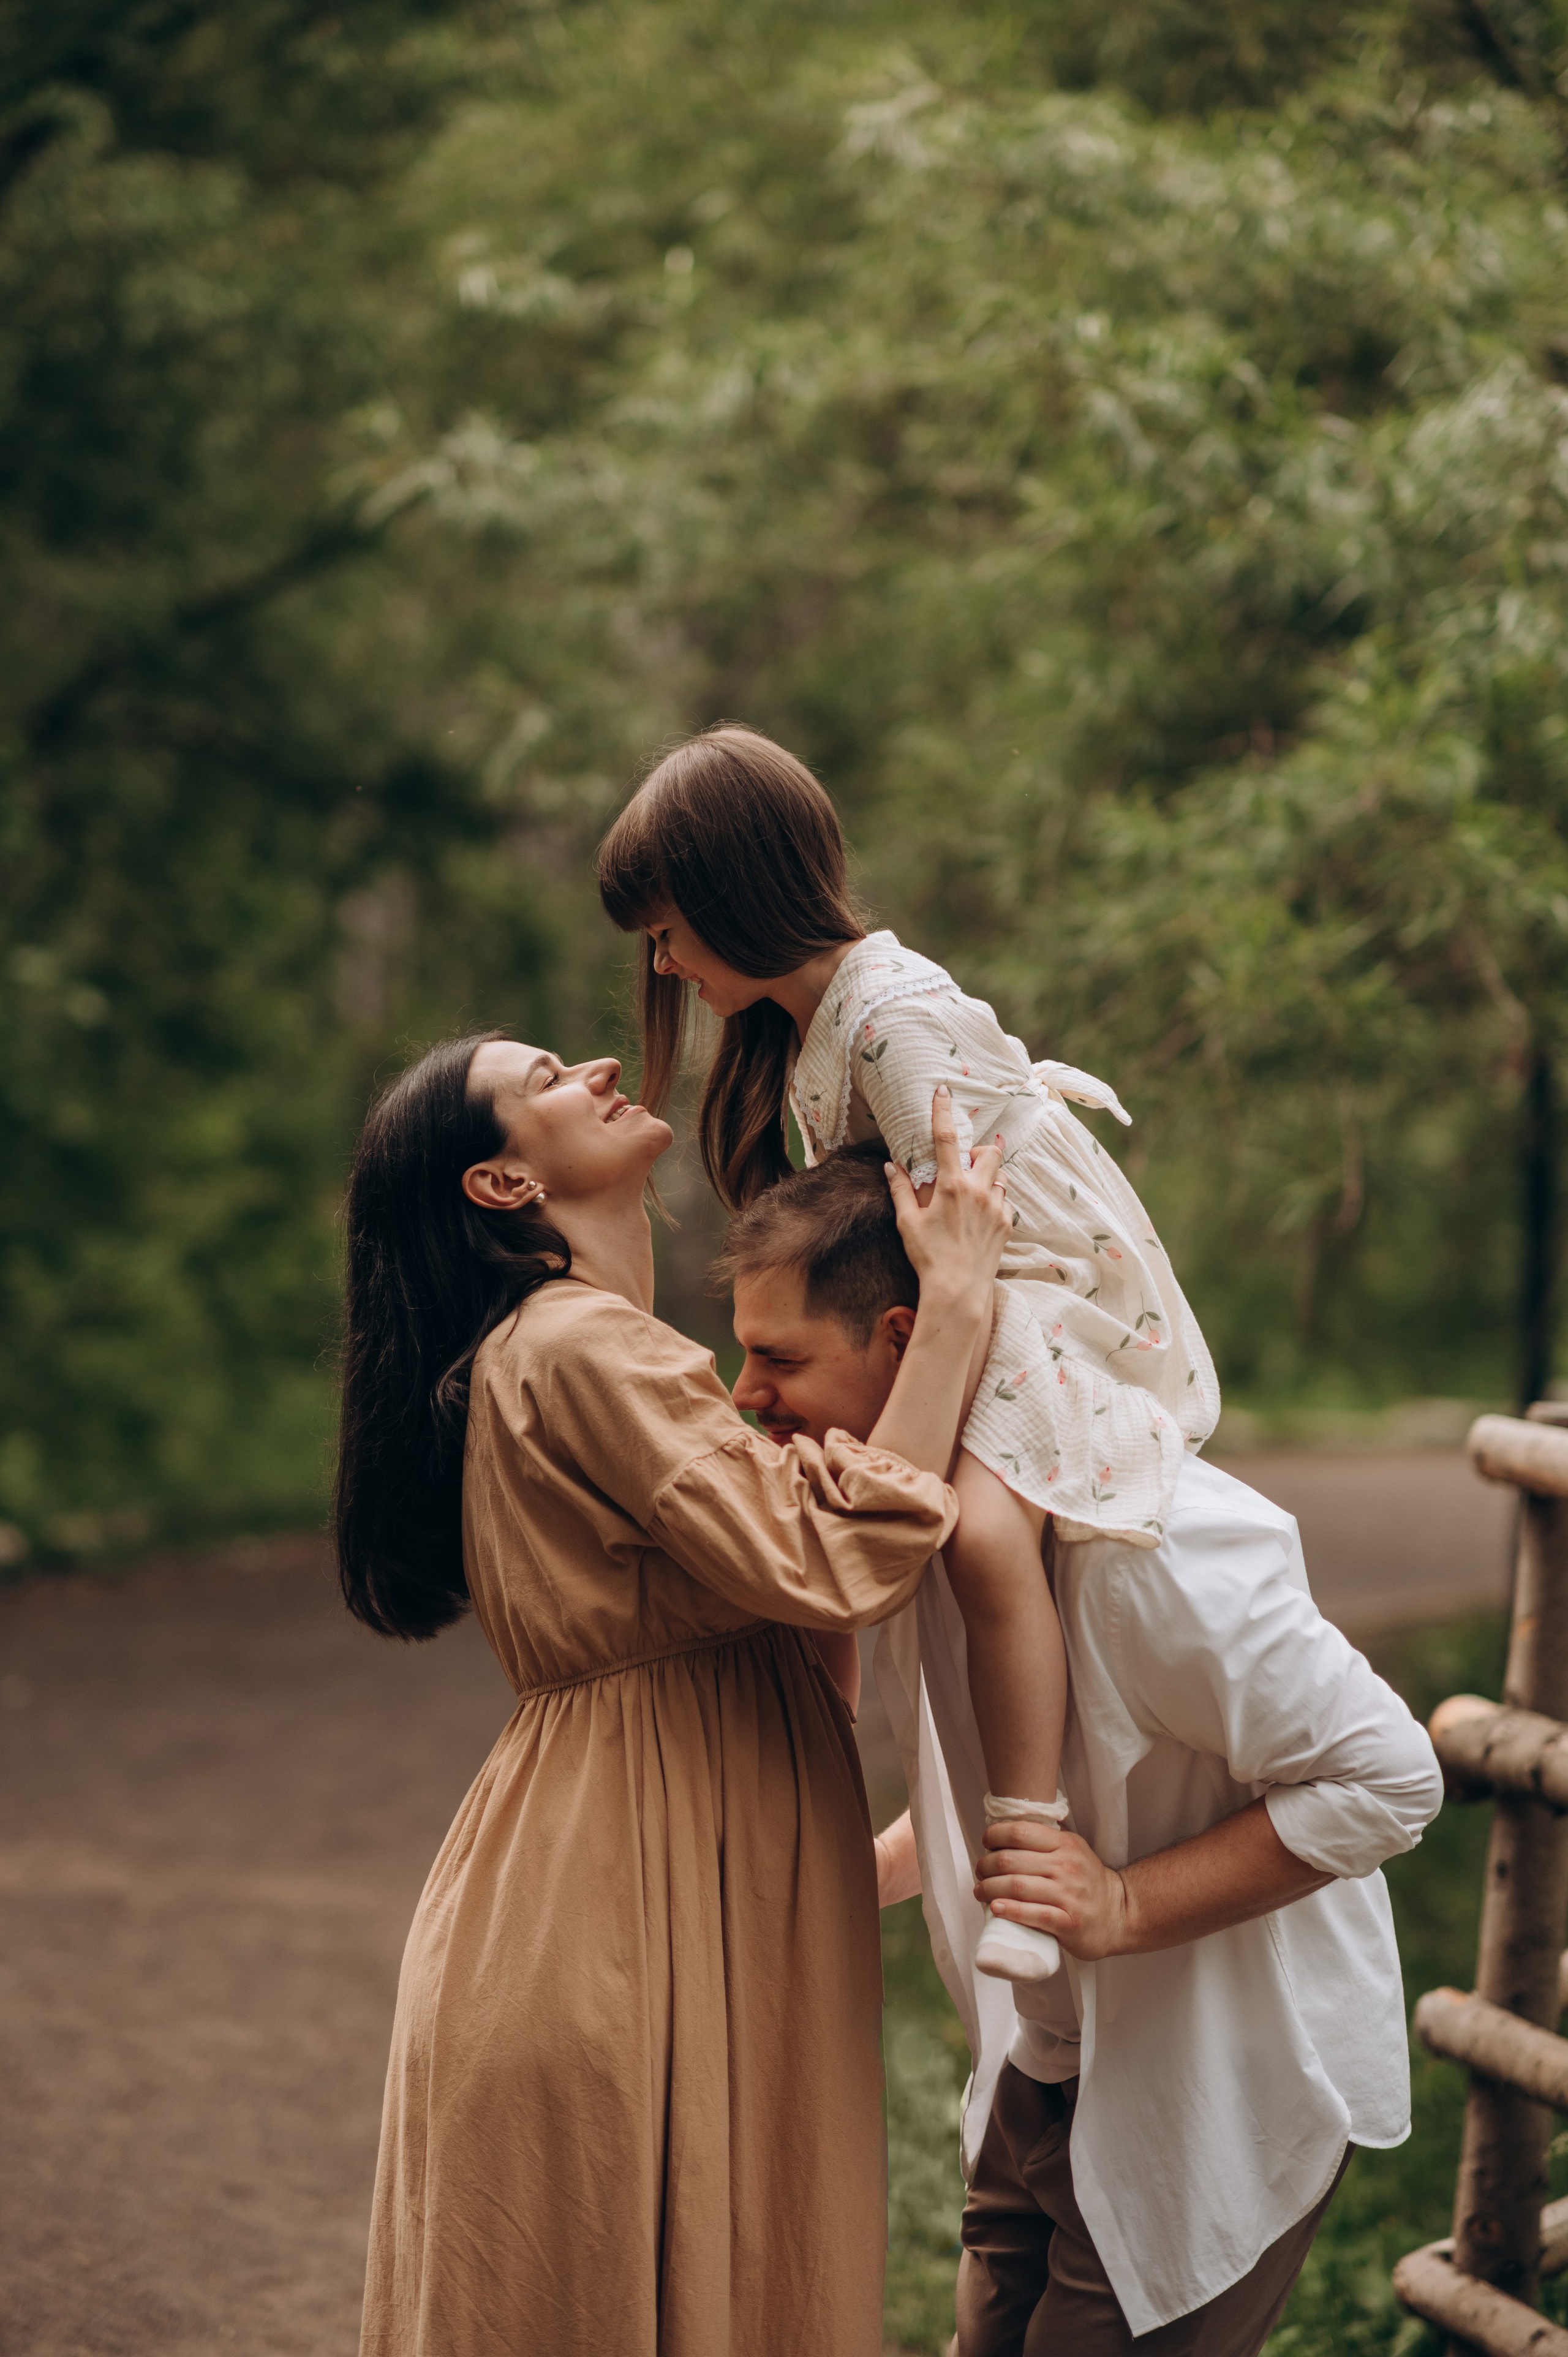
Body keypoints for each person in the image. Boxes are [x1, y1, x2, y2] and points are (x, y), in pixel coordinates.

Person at [333, 1033, 1011, 2357]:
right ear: (501, 1188)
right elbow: (827, 1565)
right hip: (611, 1919)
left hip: (614, 1890)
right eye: (545, 1083)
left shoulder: (590, 1350)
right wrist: (959, 1311)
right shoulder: (584, 1347)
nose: (593, 1066)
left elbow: (789, 1597)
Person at [717, 1144, 1444, 2356]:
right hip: (1040, 2072)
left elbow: (1386, 1777)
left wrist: (1119, 1902)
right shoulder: (914, 1527)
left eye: (778, 1356)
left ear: (903, 1340)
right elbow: (1010, 1781)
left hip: (1209, 2085)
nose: (744, 1393)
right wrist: (871, 1871)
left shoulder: (1149, 1554)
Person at [598, 723, 1220, 1988]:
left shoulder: (887, 1019)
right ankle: (813, 1792)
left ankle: (1024, 1842)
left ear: (733, 893)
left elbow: (961, 1240)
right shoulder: (802, 1030)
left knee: (983, 1535)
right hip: (947, 1285)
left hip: (1022, 1279)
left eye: (669, 928)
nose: (663, 962)